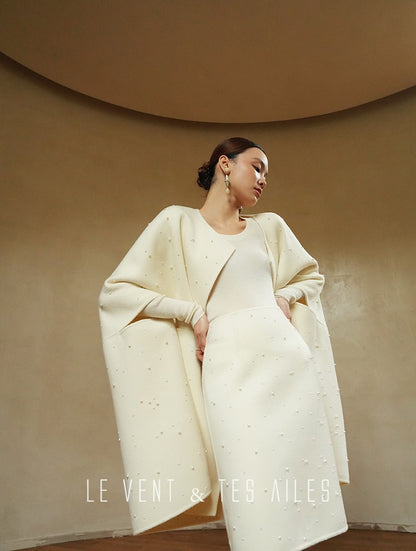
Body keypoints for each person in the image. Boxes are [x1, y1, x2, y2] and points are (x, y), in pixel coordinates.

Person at [98, 137, 350, 551]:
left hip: (286, 362)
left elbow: (310, 277)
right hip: (228, 364)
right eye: (257, 166)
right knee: (247, 481)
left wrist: (284, 297)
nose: (263, 179)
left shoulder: (270, 227)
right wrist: (190, 313)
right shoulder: (177, 222)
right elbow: (118, 291)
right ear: (225, 165)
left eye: (266, 173)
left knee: (294, 478)